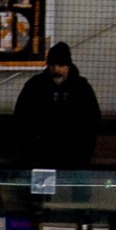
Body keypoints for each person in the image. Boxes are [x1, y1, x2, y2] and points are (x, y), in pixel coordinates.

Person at [12, 41, 102, 170]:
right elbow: (21, 117)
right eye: (52, 65)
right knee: (44, 184)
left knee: (78, 183)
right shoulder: (35, 86)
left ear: (68, 66)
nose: (56, 69)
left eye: (60, 65)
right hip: (42, 150)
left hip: (73, 151)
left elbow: (93, 119)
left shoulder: (82, 88)